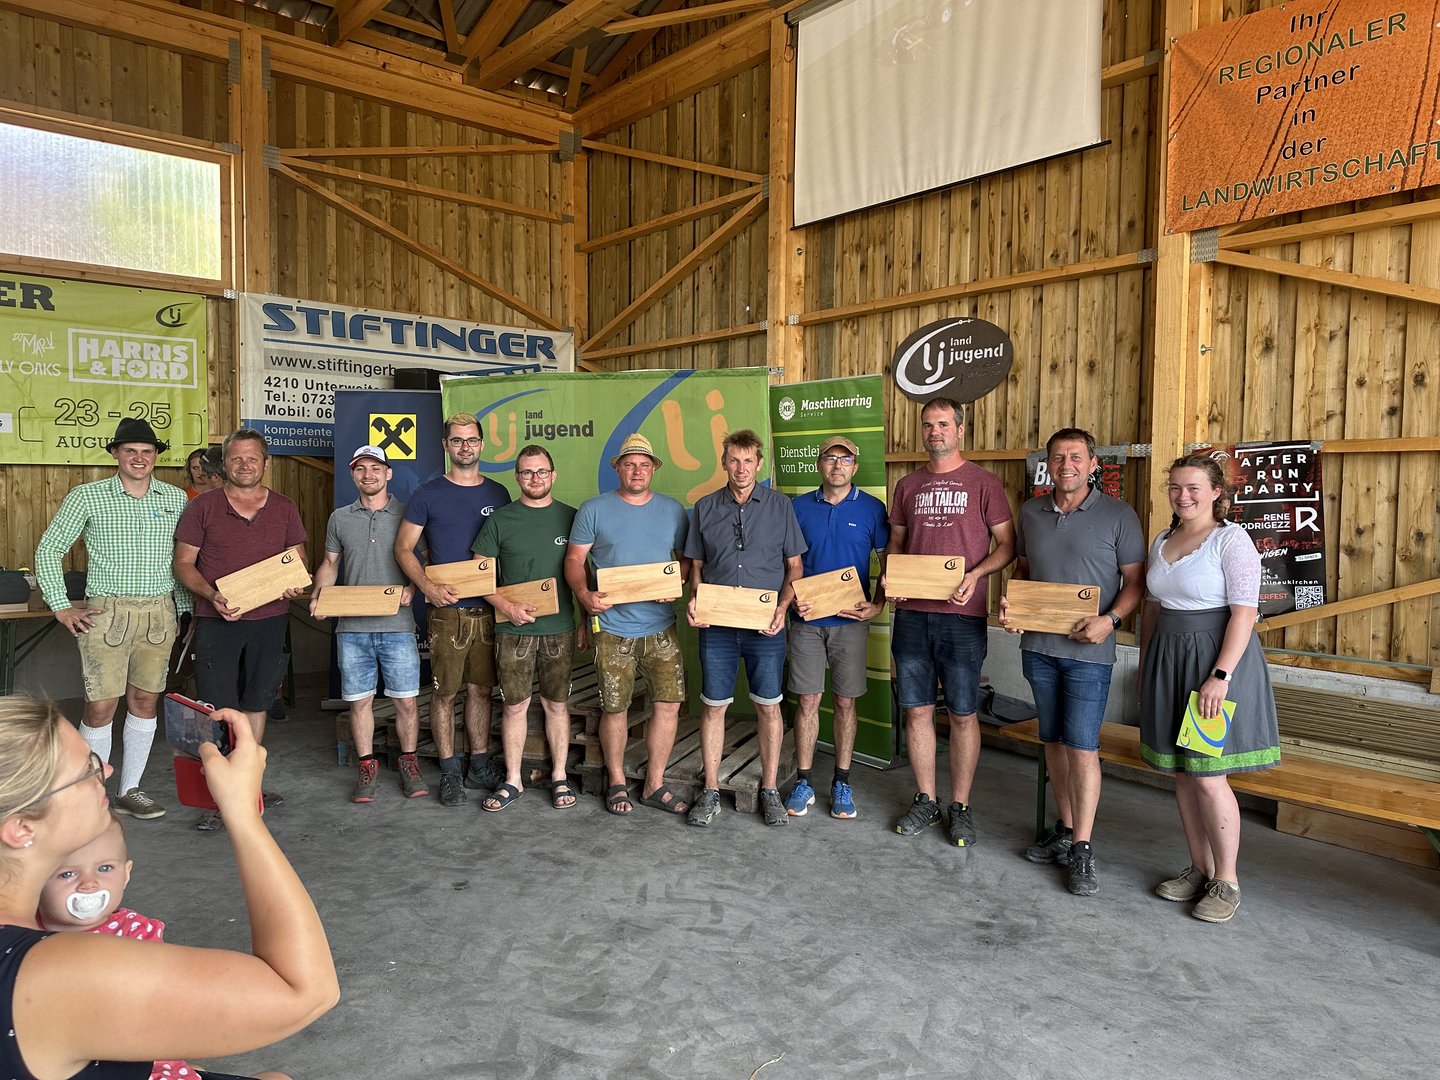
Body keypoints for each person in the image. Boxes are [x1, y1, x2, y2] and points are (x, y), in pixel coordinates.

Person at [0, 696, 338, 1080]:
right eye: (87, 769)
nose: (107, 770)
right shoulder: (54, 974)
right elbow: (306, 991)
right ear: (21, 829)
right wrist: (242, 813)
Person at [999, 428, 1145, 896]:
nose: (1067, 465)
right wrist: (1014, 605)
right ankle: (1065, 828)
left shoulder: (1119, 515)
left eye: (1076, 457)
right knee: (1053, 743)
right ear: (1048, 464)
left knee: (1082, 747)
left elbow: (1136, 582)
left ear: (1093, 464)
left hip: (1089, 655)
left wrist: (1111, 621)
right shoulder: (1031, 512)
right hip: (1039, 649)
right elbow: (1024, 570)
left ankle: (1083, 846)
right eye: (1059, 457)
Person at [1139, 454, 1280, 924]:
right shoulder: (1162, 539)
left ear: (1217, 492)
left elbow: (1244, 614)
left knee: (1207, 775)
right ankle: (1199, 870)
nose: (1183, 496)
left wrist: (1219, 676)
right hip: (1169, 660)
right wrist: (1146, 664)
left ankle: (1228, 881)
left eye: (1194, 488)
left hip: (1213, 663)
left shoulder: (1231, 540)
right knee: (1183, 773)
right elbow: (1153, 607)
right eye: (1176, 487)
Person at [34, 417, 191, 823]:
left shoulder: (175, 498)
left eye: (147, 451)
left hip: (159, 612)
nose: (139, 458)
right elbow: (48, 550)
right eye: (130, 451)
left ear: (156, 456)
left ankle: (129, 790)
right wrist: (61, 605)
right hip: (107, 613)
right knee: (101, 706)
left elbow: (183, 560)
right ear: (115, 454)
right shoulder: (87, 496)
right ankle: (90, 795)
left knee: (145, 701)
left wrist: (184, 610)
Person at [884, 396, 1014, 846]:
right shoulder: (907, 486)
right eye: (927, 424)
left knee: (962, 713)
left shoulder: (985, 483)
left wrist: (975, 575)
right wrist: (893, 575)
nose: (934, 431)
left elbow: (1007, 545)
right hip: (912, 614)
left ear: (960, 429)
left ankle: (959, 805)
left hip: (962, 616)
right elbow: (896, 542)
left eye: (943, 424)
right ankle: (925, 799)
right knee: (917, 709)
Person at [173, 428, 307, 830]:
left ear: (266, 463)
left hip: (270, 619)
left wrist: (295, 582)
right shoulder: (203, 507)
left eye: (252, 458)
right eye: (236, 458)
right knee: (218, 707)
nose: (245, 465)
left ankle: (248, 788)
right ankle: (221, 798)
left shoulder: (284, 507)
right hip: (218, 620)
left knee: (257, 702)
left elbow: (297, 560)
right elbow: (183, 564)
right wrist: (211, 595)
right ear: (225, 464)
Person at [684, 429, 807, 828]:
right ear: (724, 463)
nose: (741, 468)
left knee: (768, 706)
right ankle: (710, 790)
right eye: (734, 461)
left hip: (765, 627)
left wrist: (782, 608)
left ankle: (769, 789)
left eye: (748, 461)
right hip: (717, 626)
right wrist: (696, 600)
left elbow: (795, 567)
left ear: (759, 464)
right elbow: (696, 566)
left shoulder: (780, 506)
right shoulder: (704, 507)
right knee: (713, 706)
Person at [565, 433, 691, 817]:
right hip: (611, 628)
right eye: (629, 464)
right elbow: (574, 561)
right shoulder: (593, 510)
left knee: (668, 705)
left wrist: (678, 582)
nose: (637, 471)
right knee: (615, 708)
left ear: (653, 469)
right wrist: (585, 596)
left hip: (661, 627)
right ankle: (617, 781)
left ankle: (654, 783)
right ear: (618, 468)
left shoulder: (673, 510)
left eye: (644, 464)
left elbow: (686, 560)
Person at [394, 413, 511, 808]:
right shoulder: (427, 494)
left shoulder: (498, 494)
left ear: (481, 444)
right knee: (444, 693)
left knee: (481, 690)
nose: (465, 446)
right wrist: (427, 587)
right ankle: (449, 771)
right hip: (447, 613)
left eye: (471, 440)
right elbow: (403, 548)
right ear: (446, 446)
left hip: (489, 611)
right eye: (457, 440)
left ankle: (477, 764)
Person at [36, 815, 212, 1080]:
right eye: (67, 873)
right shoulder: (23, 934)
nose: (89, 884)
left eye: (105, 868)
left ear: (126, 873)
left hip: (140, 1059)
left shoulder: (137, 933)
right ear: (34, 880)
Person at [311, 445, 426, 804]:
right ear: (352, 475)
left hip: (398, 626)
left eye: (376, 468)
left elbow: (426, 560)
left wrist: (413, 589)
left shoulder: (408, 514)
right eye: (361, 468)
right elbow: (330, 564)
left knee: (406, 702)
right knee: (359, 703)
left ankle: (409, 763)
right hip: (352, 629)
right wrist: (319, 596)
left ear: (388, 473)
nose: (369, 474)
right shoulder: (339, 518)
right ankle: (366, 767)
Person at [783, 436, 889, 820]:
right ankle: (804, 781)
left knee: (845, 701)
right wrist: (791, 599)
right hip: (807, 622)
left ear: (855, 467)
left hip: (850, 623)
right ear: (819, 464)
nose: (837, 465)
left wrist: (878, 605)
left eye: (845, 459)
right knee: (808, 701)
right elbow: (787, 563)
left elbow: (888, 564)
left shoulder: (873, 509)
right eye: (830, 458)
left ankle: (842, 781)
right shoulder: (796, 508)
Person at [472, 446, 580, 812]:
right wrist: (506, 607)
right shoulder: (500, 520)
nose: (535, 478)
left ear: (553, 475)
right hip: (513, 631)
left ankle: (560, 776)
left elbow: (583, 574)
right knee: (515, 707)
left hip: (560, 629)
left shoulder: (572, 518)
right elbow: (479, 575)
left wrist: (585, 622)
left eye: (541, 471)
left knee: (556, 705)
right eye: (527, 472)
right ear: (517, 477)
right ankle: (513, 780)